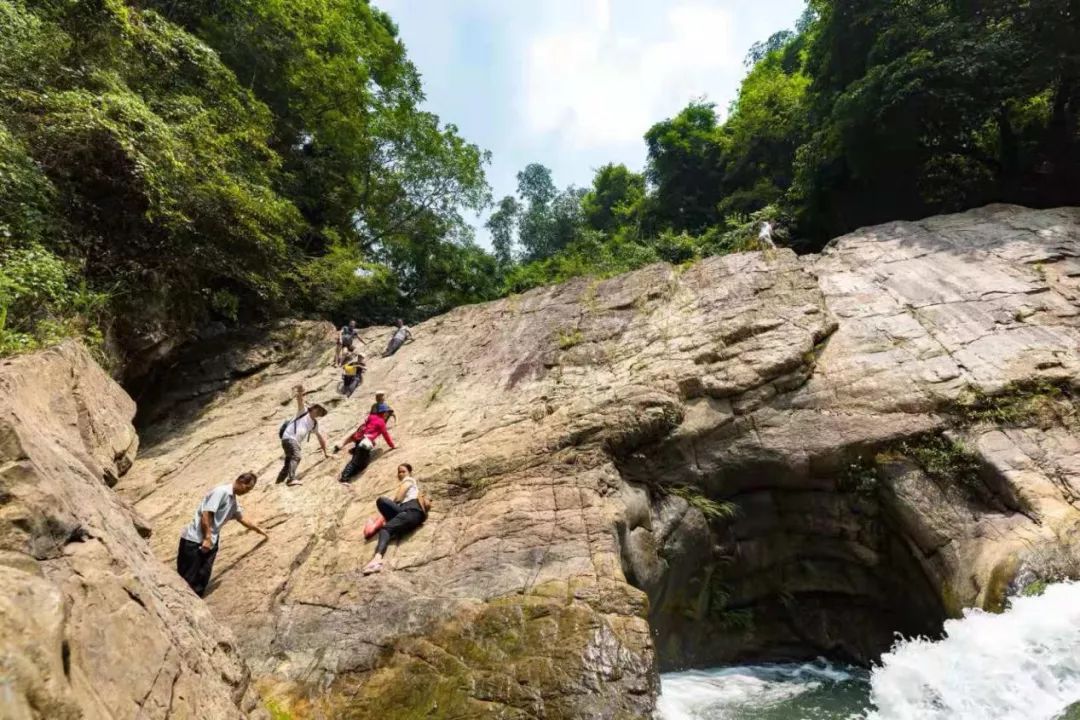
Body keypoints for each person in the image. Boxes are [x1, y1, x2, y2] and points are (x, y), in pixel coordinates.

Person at [176, 472, 267, 596]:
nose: (248, 491)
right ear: (240, 482)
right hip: (195, 540)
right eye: (248, 488)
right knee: (187, 578)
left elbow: (242, 518)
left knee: (202, 578)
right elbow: (206, 514)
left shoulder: (233, 501)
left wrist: (259, 530)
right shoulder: (221, 492)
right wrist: (207, 538)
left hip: (211, 542)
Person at [362, 464, 430, 574]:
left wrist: (393, 505)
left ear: (409, 473)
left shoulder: (409, 480)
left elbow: (398, 497)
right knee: (383, 505)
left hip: (410, 512)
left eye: (403, 471)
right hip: (411, 515)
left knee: (384, 522)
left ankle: (377, 560)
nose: (401, 474)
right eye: (399, 472)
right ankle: (395, 526)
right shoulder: (414, 488)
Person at [276, 384, 329, 487]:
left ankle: (278, 483)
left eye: (321, 412)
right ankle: (291, 480)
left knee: (288, 463)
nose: (319, 412)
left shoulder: (314, 424)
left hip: (290, 441)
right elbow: (300, 400)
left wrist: (325, 452)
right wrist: (300, 391)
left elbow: (320, 437)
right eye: (318, 409)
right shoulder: (303, 411)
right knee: (297, 456)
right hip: (290, 438)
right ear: (313, 408)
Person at [334, 404, 396, 482]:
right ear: (383, 412)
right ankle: (344, 477)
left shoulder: (371, 417)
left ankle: (355, 453)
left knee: (362, 463)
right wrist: (392, 446)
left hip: (361, 439)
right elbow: (386, 436)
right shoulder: (381, 423)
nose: (387, 415)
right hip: (365, 443)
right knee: (356, 462)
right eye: (387, 413)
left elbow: (365, 426)